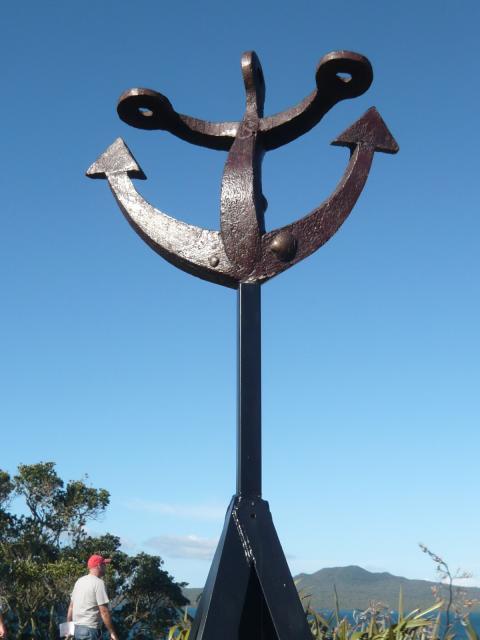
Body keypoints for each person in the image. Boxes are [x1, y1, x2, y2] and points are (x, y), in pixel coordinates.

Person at [67, 554, 119, 640]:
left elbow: (71, 607)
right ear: (99, 566)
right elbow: (104, 611)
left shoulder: (79, 581)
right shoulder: (99, 583)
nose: (105, 567)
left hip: (77, 630)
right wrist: (113, 633)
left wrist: (69, 629)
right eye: (104, 564)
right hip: (90, 631)